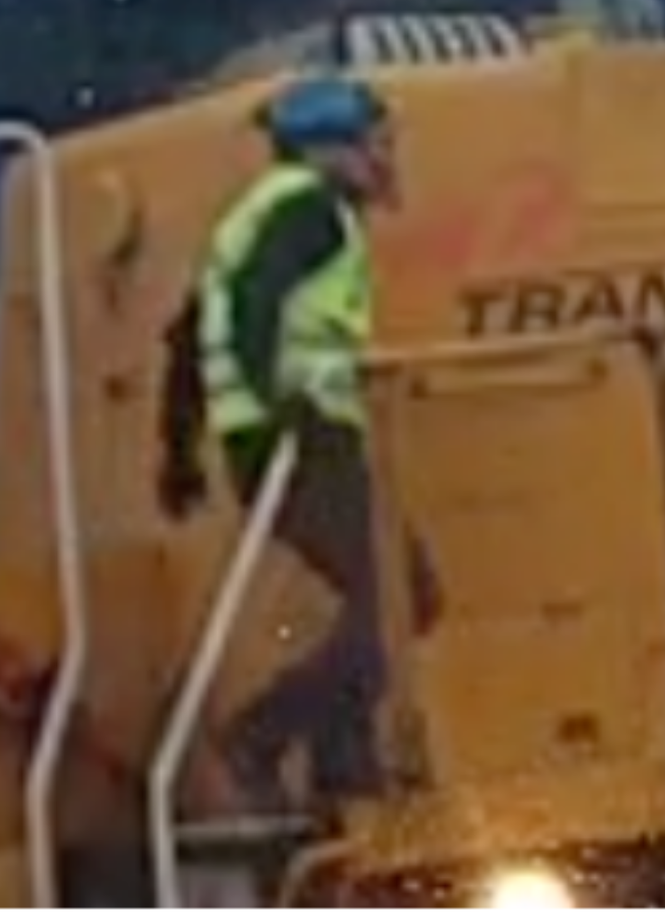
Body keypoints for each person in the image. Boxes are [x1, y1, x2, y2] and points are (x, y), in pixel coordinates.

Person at [156, 70, 442, 810]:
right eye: (373, 143)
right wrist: (275, 408)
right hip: (302, 440)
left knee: (387, 596)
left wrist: (180, 449)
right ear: (328, 149)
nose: (384, 159)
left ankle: (338, 761)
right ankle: (266, 732)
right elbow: (252, 308)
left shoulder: (254, 216)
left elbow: (188, 333)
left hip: (274, 443)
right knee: (406, 596)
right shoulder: (307, 212)